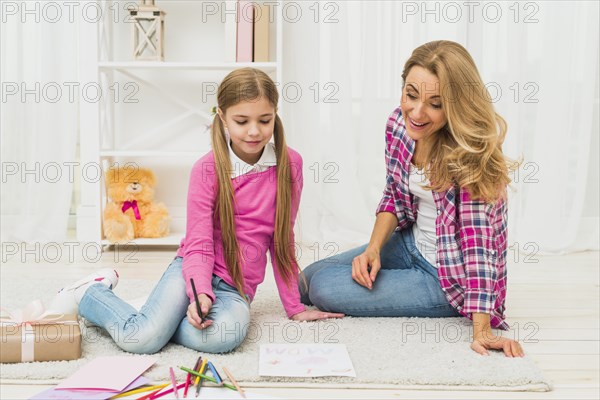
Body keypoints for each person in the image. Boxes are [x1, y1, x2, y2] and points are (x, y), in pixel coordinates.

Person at [50, 68, 343, 354]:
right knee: (140, 339)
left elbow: (282, 238)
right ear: (223, 117)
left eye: (264, 120)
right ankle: (91, 293)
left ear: (275, 116)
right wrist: (199, 292)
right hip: (190, 269)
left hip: (235, 289)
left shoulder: (290, 165)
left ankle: (158, 317)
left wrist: (294, 308)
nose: (254, 131)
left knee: (222, 337)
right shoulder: (206, 169)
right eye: (241, 121)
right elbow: (199, 242)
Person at [299, 41, 524, 358]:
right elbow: (394, 195)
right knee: (306, 281)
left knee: (324, 289)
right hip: (410, 243)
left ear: (456, 105)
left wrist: (482, 330)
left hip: (446, 277)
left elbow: (479, 248)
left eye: (435, 103)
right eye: (411, 94)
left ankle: (432, 301)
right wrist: (373, 249)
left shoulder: (470, 159)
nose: (417, 112)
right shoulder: (399, 126)